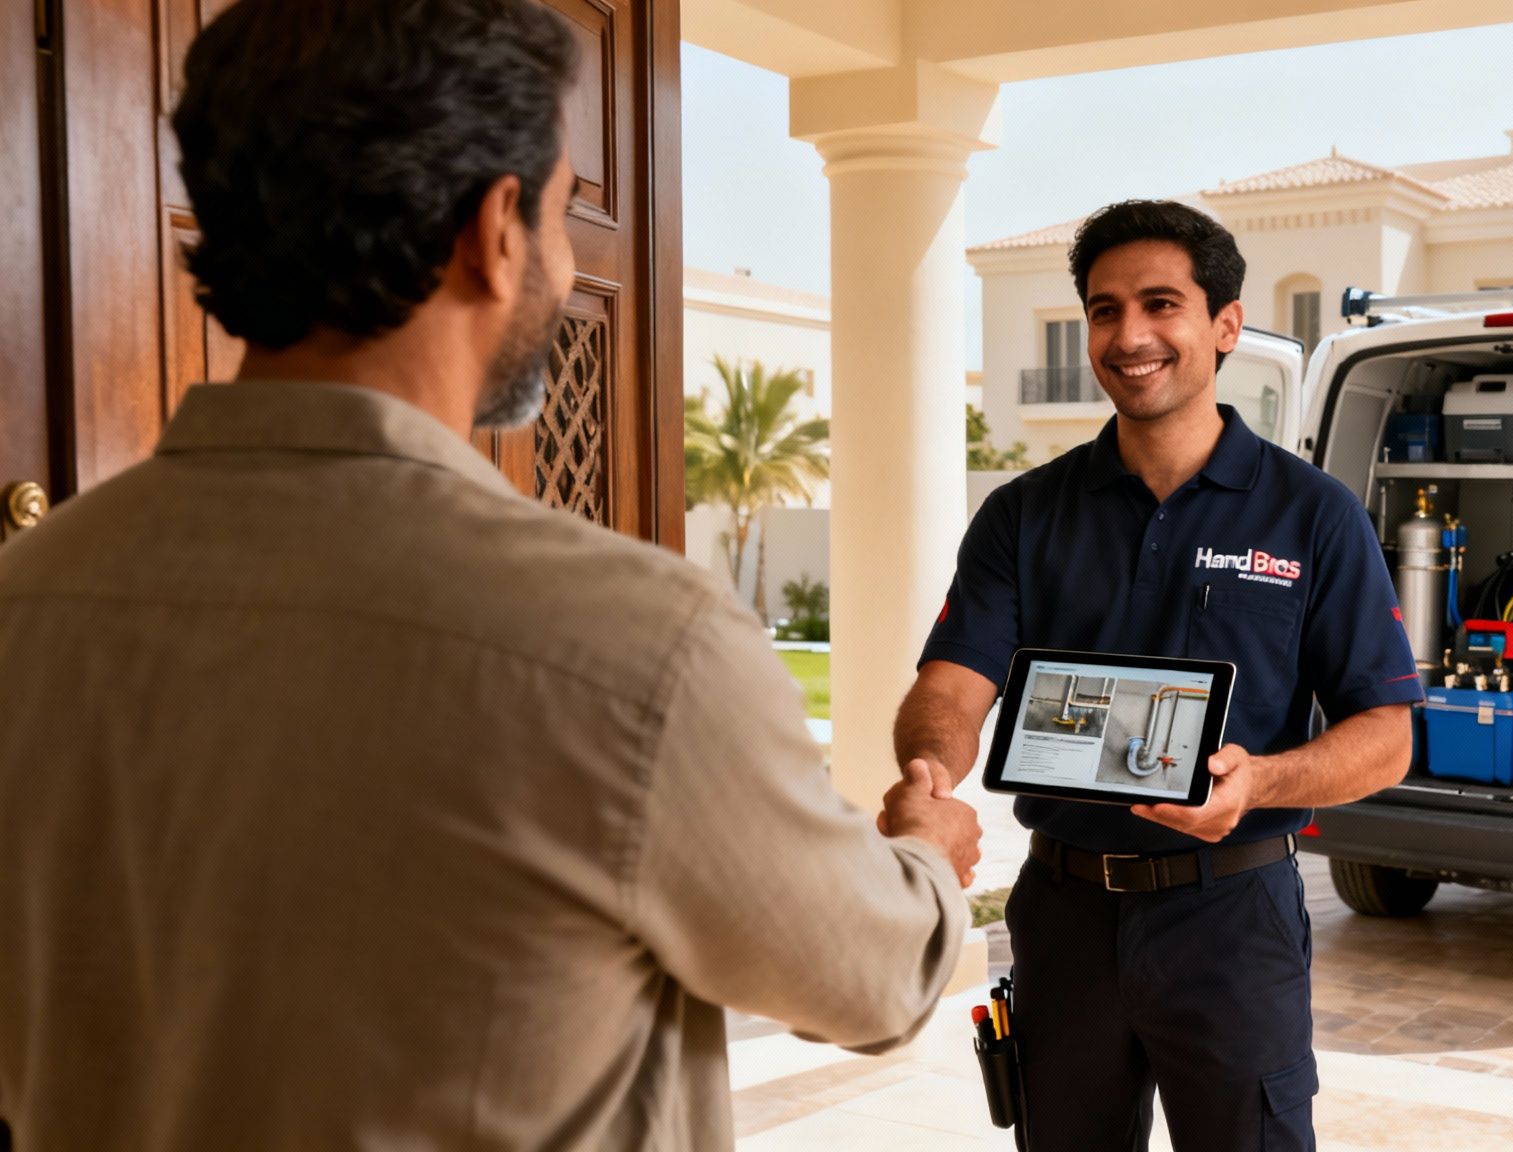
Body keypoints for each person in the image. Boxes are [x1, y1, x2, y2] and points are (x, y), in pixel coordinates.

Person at [0, 2, 980, 1149]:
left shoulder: (29, 607)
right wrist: (926, 855)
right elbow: (867, 981)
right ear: (494, 229)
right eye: (565, 214)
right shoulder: (636, 644)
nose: (567, 268)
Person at [891, 200, 1421, 1150]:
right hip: (1062, 918)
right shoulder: (1023, 515)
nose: (1129, 335)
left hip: (1232, 916)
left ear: (1224, 324)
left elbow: (1386, 736)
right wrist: (929, 777)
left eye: (1160, 304)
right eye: (1104, 310)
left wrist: (1262, 780)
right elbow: (951, 685)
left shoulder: (1315, 517)